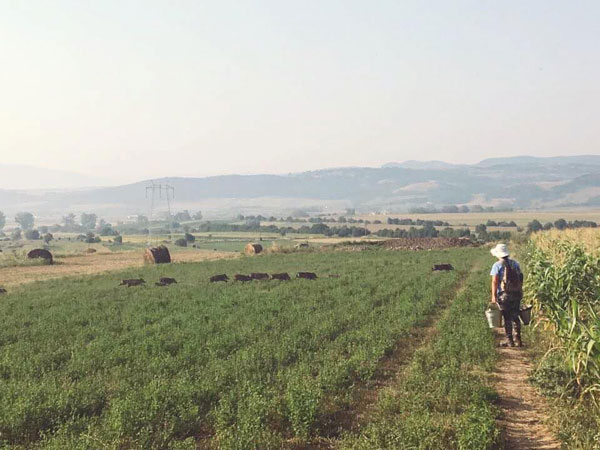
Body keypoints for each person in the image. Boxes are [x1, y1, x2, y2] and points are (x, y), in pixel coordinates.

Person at [490, 243, 524, 347]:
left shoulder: (497, 265)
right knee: (515, 316)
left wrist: (494, 296)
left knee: (507, 317)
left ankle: (510, 341)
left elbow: (495, 281)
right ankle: (518, 339)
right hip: (516, 294)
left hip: (504, 296)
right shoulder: (515, 264)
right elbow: (521, 277)